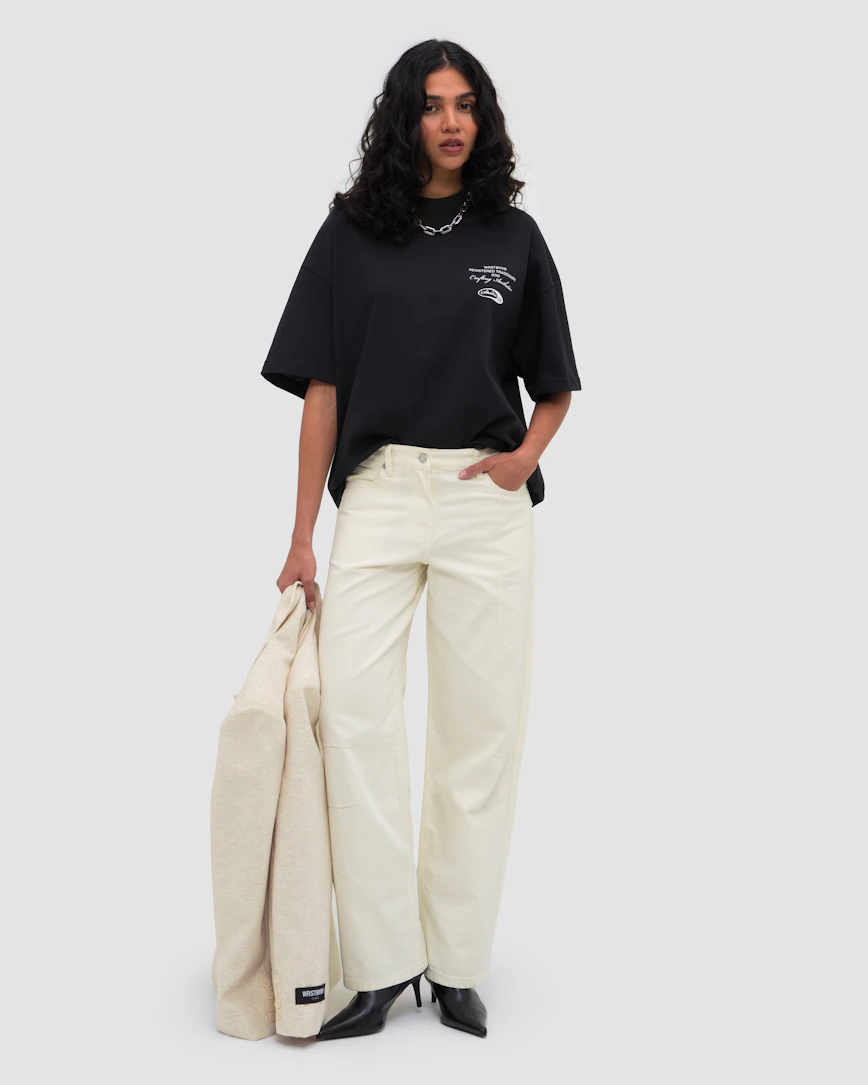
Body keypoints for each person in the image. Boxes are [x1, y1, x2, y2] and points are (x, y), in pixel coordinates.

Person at [260, 39, 581, 1040]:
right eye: (433, 104)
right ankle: (381, 964)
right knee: (357, 720)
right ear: (404, 118)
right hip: (382, 494)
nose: (451, 121)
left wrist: (524, 457)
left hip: (485, 501)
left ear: (483, 119)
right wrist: (302, 534)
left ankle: (455, 963)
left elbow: (555, 382)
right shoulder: (351, 233)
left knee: (478, 734)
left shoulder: (513, 237)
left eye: (466, 104)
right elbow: (321, 390)